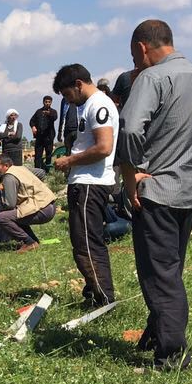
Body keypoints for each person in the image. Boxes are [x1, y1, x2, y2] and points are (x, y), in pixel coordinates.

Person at [116, 18, 192, 372]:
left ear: (142, 47)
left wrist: (129, 175)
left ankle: (172, 355)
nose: (134, 63)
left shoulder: (153, 77)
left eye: (134, 55)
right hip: (191, 190)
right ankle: (156, 333)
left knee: (160, 275)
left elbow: (129, 126)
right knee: (171, 268)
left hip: (156, 191)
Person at [52, 64, 117, 307]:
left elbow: (104, 147)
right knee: (83, 241)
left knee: (86, 244)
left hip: (91, 183)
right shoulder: (88, 106)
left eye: (68, 95)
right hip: (84, 181)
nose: (68, 102)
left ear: (78, 84)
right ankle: (93, 292)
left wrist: (69, 160)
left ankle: (104, 300)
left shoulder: (98, 105)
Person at [0, 154, 56, 251]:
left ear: (6, 166)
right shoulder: (21, 168)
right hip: (49, 205)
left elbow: (10, 204)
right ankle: (33, 241)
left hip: (42, 210)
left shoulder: (8, 177)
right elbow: (41, 173)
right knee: (18, 212)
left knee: (2, 217)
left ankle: (29, 242)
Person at [29, 95, 58, 170]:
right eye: (46, 102)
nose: (47, 103)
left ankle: (47, 170)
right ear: (43, 102)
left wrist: (48, 114)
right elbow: (32, 121)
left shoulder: (53, 112)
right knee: (38, 155)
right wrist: (33, 127)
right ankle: (37, 171)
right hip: (39, 137)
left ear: (51, 103)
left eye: (49, 102)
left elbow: (54, 118)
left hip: (49, 137)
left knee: (48, 154)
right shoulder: (38, 111)